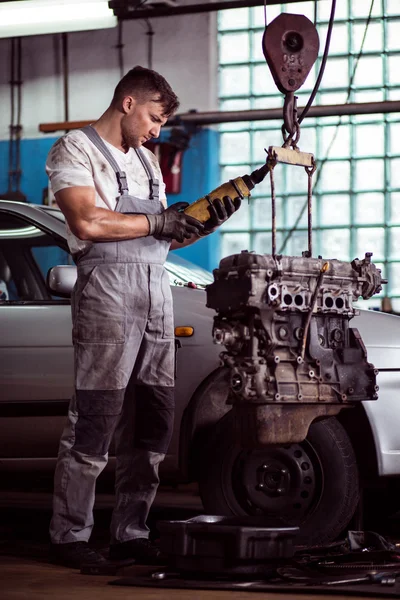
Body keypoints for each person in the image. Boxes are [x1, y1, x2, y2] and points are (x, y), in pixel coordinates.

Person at [45, 65, 241, 570]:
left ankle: (131, 532)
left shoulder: (149, 162)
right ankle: (70, 536)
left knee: (152, 426)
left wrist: (211, 213)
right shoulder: (76, 150)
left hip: (157, 292)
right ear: (128, 103)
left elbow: (164, 235)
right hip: (108, 294)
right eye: (154, 118)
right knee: (96, 421)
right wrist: (159, 219)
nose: (158, 130)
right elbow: (86, 220)